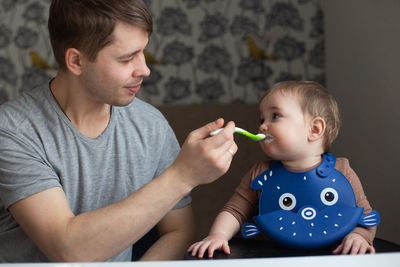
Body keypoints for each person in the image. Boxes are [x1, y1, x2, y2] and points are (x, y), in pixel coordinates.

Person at [0, 0, 238, 262]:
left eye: (142, 52)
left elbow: (178, 231)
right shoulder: (12, 132)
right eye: (126, 58)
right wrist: (183, 175)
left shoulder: (151, 126)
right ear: (76, 61)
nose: (144, 69)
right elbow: (69, 250)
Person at [188, 81, 377, 258]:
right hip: (268, 256)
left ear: (315, 129)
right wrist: (218, 235)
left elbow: (365, 217)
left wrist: (359, 236)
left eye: (275, 116)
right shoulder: (260, 172)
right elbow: (234, 211)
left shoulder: (342, 170)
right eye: (261, 118)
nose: (262, 126)